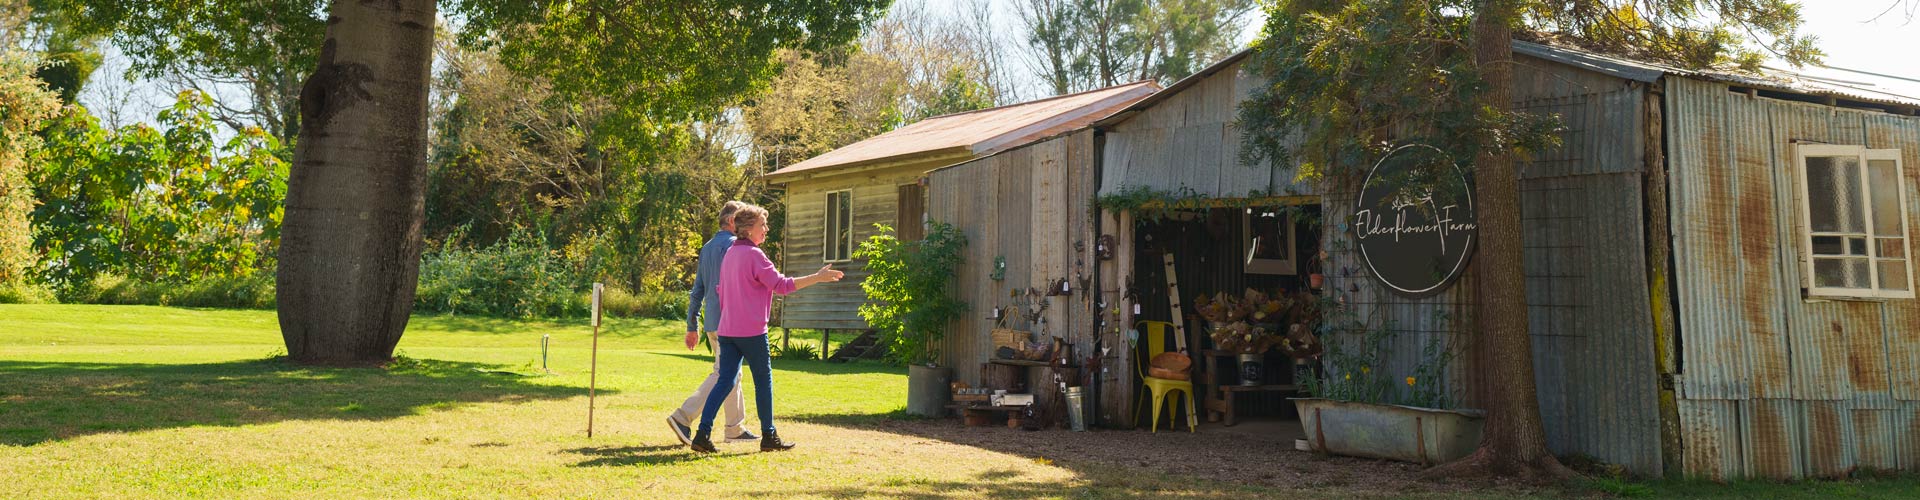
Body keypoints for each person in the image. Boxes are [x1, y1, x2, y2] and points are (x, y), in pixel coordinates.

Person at [690, 203, 842, 453]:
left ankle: (702, 434)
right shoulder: (754, 255)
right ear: (748, 229)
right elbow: (781, 285)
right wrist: (817, 277)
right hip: (751, 331)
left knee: (724, 381)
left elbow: (721, 292)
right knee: (763, 381)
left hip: (727, 330)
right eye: (763, 225)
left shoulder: (730, 254)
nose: (766, 229)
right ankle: (769, 436)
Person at [665, 201, 754, 447]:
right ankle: (682, 416)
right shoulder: (735, 247)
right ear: (732, 222)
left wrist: (692, 325)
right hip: (730, 322)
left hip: (713, 321)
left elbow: (698, 290)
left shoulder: (706, 248)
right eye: (743, 220)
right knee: (724, 373)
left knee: (733, 373)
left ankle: (735, 428)